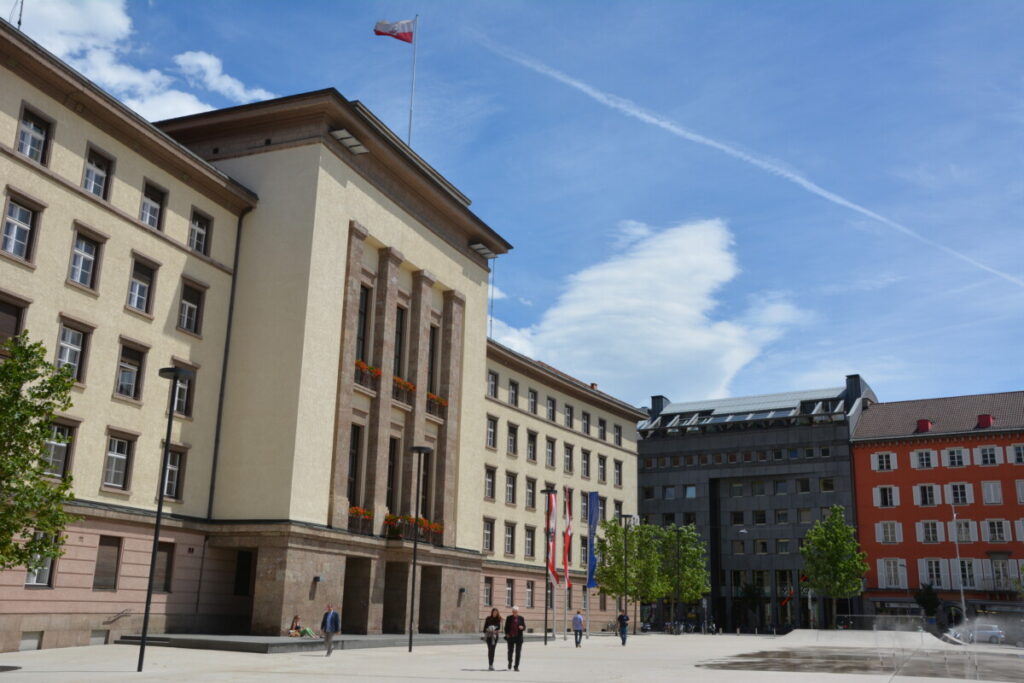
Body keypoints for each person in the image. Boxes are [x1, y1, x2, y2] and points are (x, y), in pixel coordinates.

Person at [504, 605, 526, 671]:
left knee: (518, 652)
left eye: (516, 612)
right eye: (514, 612)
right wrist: (507, 634)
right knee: (510, 651)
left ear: (518, 612)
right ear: (512, 612)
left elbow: (524, 627)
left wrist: (522, 627)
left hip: (519, 638)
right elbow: (506, 627)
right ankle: (510, 662)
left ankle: (516, 666)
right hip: (510, 637)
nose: (515, 613)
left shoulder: (521, 618)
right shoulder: (509, 618)